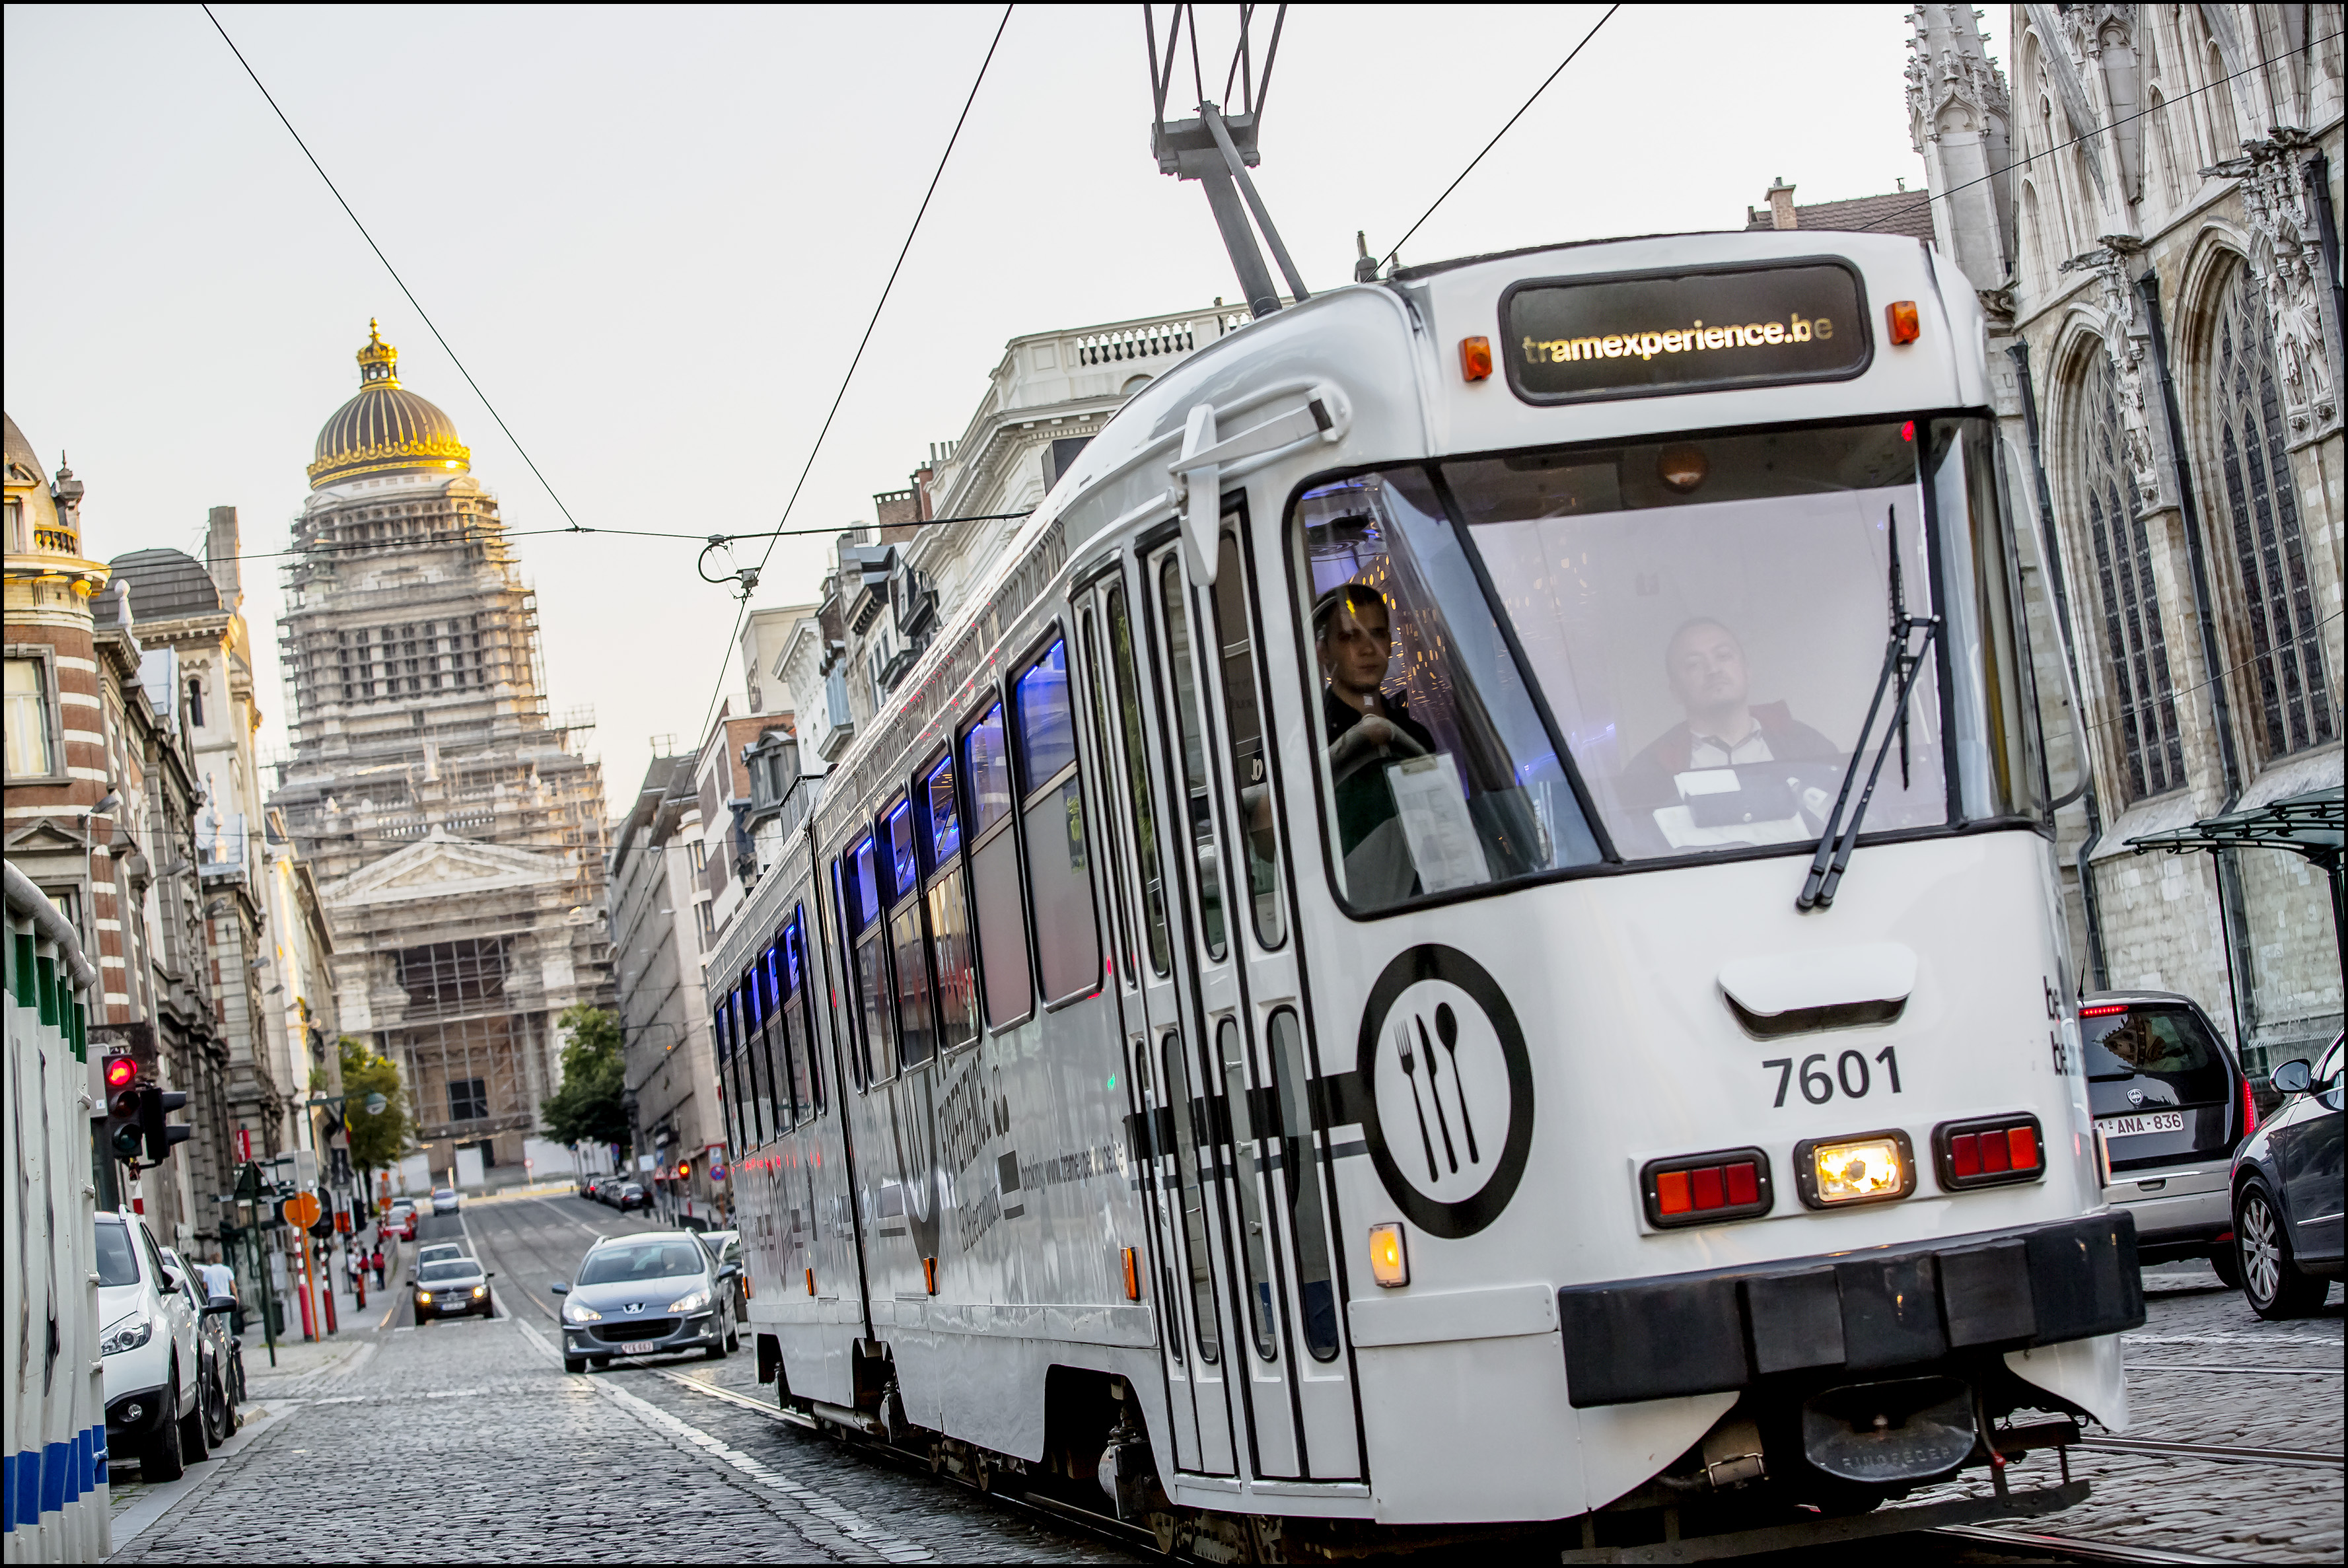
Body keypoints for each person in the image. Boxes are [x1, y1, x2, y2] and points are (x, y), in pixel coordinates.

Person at [1620, 618, 1837, 804]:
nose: (1713, 670)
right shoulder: (1650, 771)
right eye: (1694, 664)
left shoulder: (1807, 746)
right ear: (1675, 690)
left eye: (1723, 656)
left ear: (1747, 671)